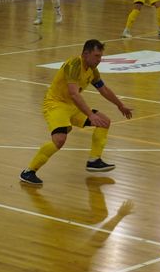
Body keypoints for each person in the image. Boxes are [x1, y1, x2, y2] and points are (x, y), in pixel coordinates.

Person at [19, 39, 134, 186]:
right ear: (86, 54)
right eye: (97, 56)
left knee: (104, 122)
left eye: (100, 56)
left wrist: (120, 105)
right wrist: (90, 115)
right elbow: (74, 93)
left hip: (71, 106)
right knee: (59, 140)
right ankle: (29, 171)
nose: (99, 60)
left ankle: (94, 160)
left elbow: (103, 89)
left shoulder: (92, 70)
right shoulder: (74, 65)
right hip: (55, 104)